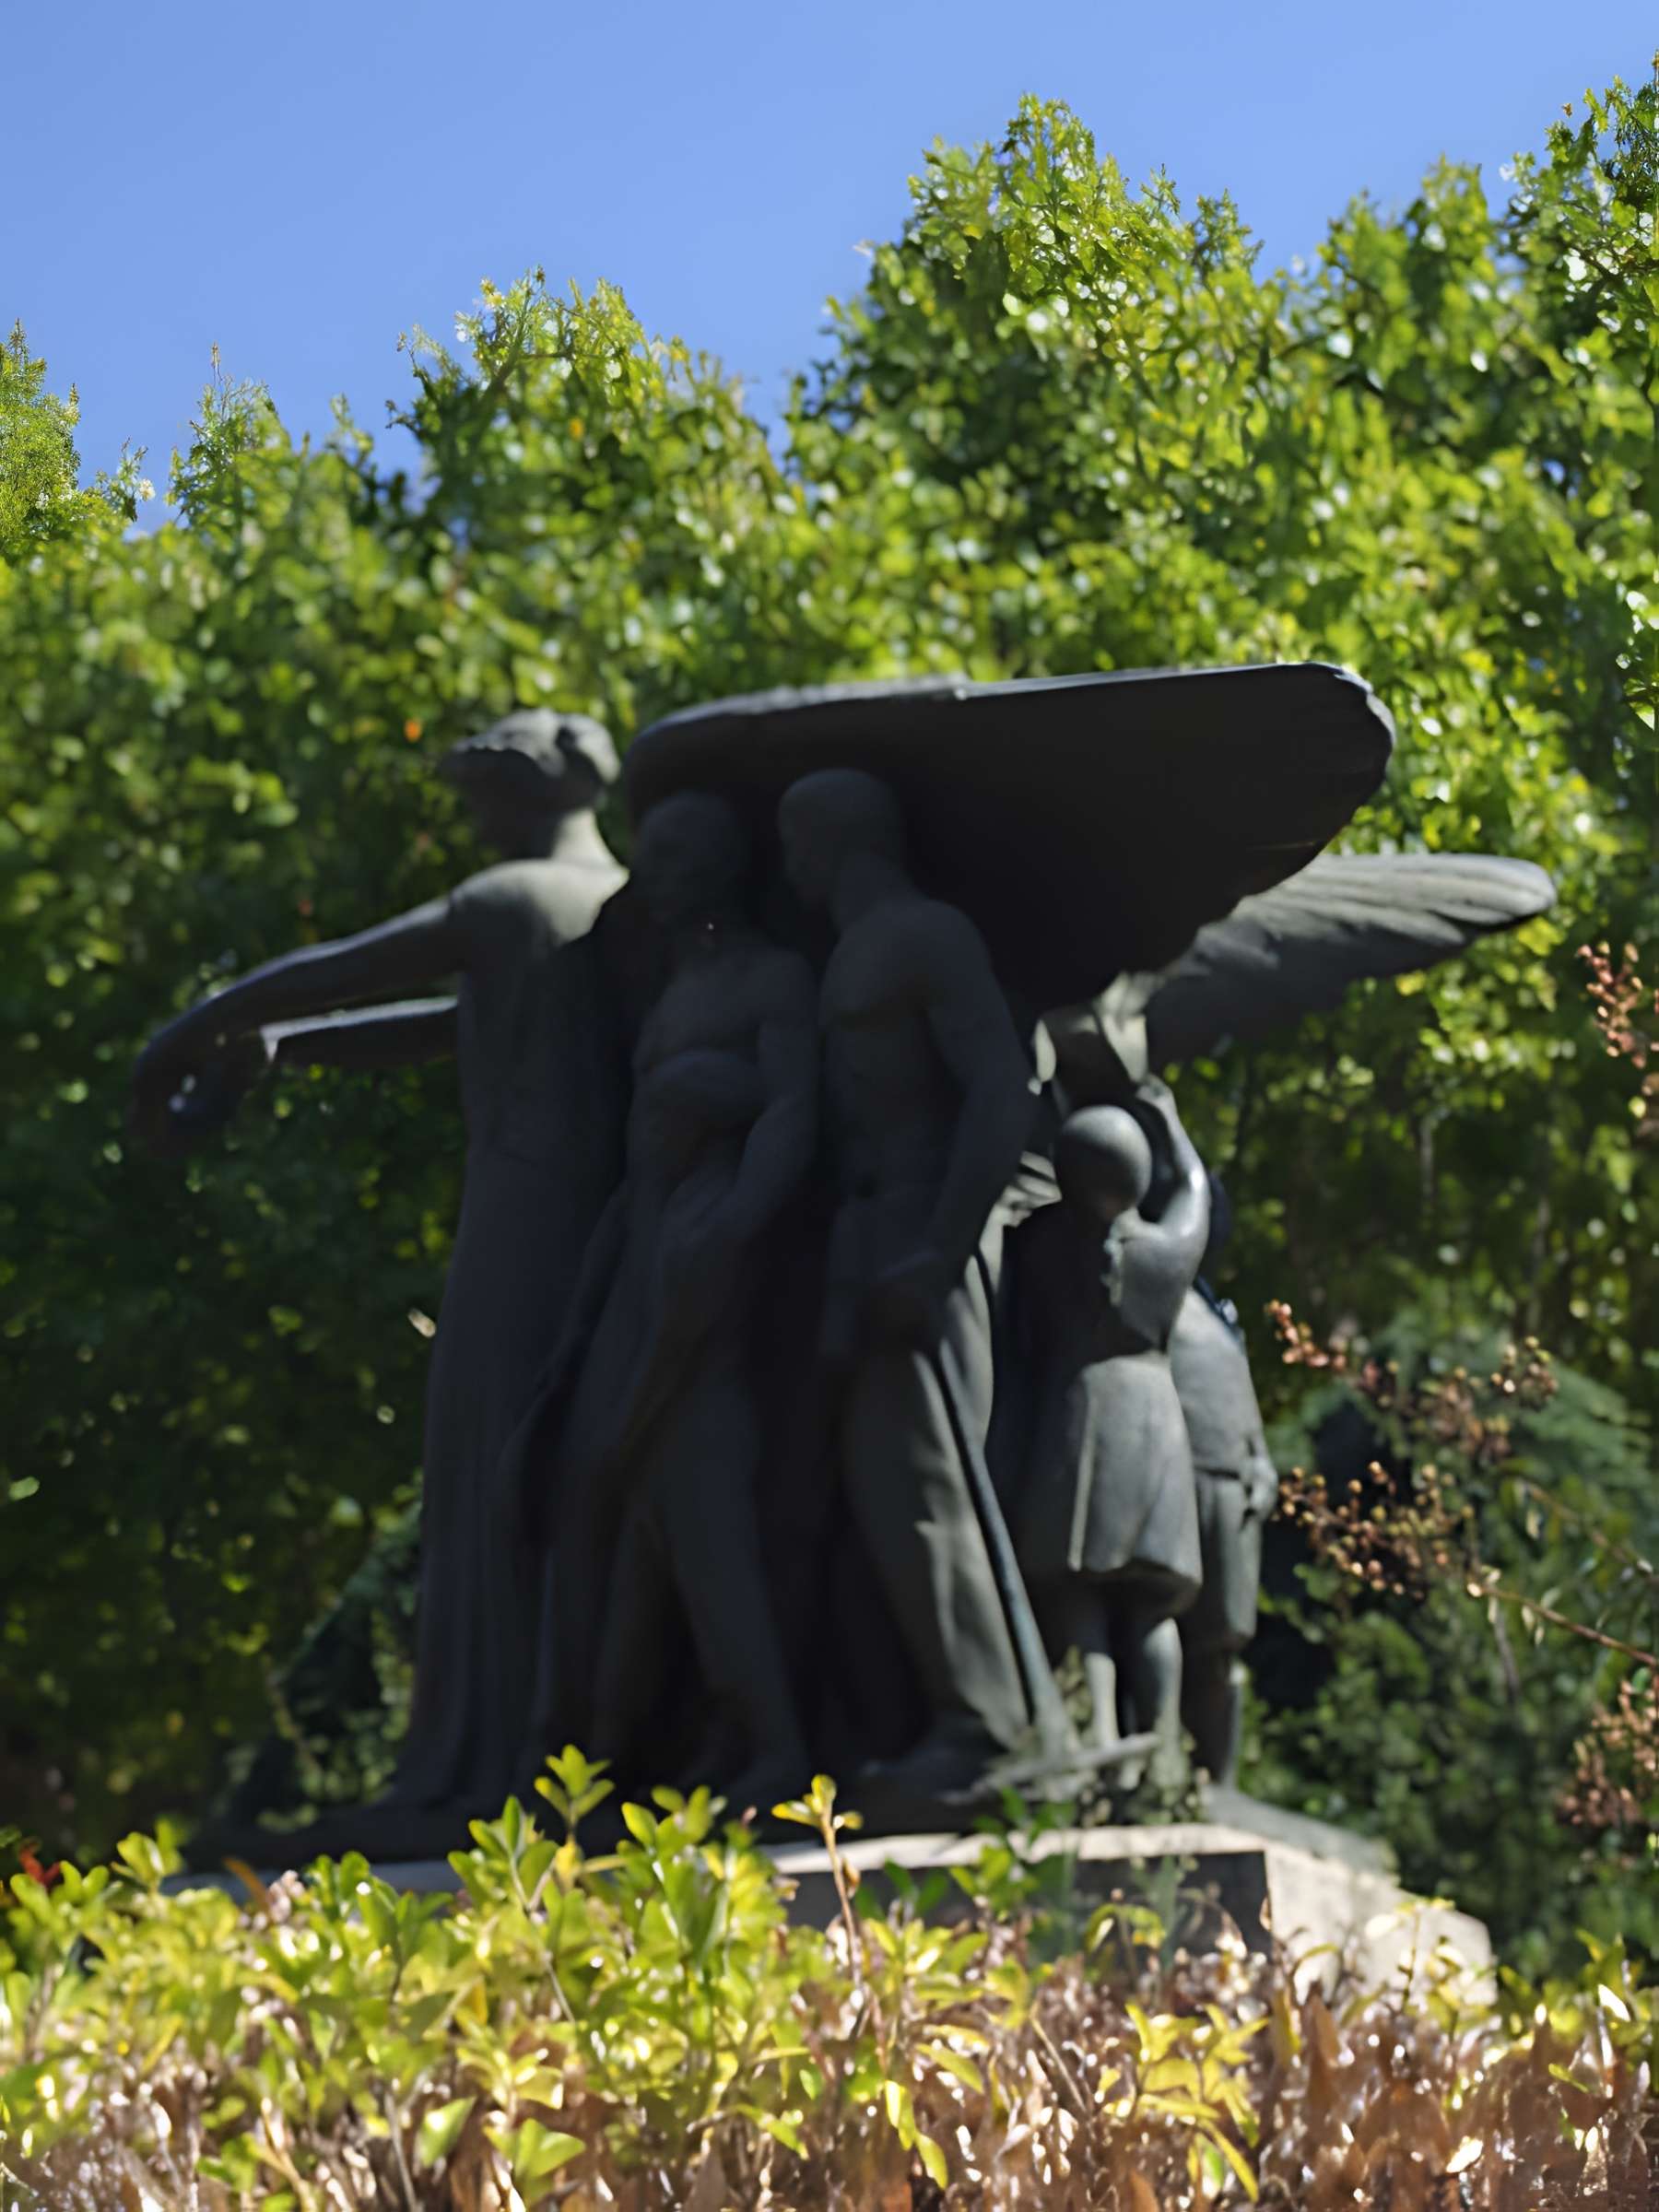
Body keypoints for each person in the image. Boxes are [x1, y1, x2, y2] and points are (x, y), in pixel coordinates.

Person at [130, 709, 649, 1840]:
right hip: (596, 1221)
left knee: (487, 1459)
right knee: (536, 1461)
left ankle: (478, 1766)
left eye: (477, 798)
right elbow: (450, 1020)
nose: (471, 821)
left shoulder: (516, 899)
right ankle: (531, 1749)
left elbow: (344, 968)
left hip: (525, 1215)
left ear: (517, 798)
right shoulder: (613, 906)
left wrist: (193, 1029)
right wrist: (293, 1052)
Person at [506, 792, 816, 1804]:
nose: (663, 876)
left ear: (724, 868)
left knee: (700, 1502)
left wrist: (730, 1231)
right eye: (656, 858)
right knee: (626, 1512)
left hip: (709, 1265)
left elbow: (793, 1118)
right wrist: (585, 1316)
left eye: (682, 858)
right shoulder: (672, 992)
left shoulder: (773, 979)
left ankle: (770, 1743)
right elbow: (635, 1173)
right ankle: (607, 1758)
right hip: (641, 1269)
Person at [775, 768, 1039, 1804]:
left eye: (797, 841)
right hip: (867, 1237)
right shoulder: (854, 946)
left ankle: (989, 1729)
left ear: (829, 842)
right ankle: (934, 1716)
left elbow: (999, 1096)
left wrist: (939, 1250)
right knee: (879, 1495)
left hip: (923, 1233)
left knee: (926, 1485)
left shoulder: (928, 935)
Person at [1015, 1083, 1207, 1788]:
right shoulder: (1164, 1256)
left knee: (1079, 1597)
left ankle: (1095, 1751)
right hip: (1153, 1419)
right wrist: (1171, 1124)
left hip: (1077, 1413)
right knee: (1153, 1606)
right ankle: (1160, 1758)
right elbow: (1194, 1188)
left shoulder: (1039, 1251)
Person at [1171, 1177, 1279, 1785]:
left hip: (1233, 1492)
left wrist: (1261, 1465)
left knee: (1223, 1647)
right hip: (1177, 1481)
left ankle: (1220, 1778)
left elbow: (1244, 1413)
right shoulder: (1157, 1297)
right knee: (1165, 1624)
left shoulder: (1220, 1316)